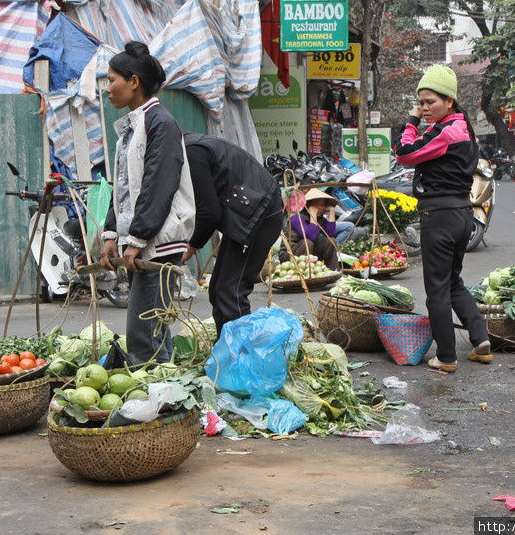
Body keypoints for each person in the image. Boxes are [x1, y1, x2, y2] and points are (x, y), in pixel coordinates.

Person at [100, 42, 195, 365]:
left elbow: (158, 186)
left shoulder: (160, 123)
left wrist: (138, 238)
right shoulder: (135, 125)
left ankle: (154, 404)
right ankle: (165, 401)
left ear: (134, 82)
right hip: (141, 241)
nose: (107, 88)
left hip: (158, 243)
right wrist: (112, 233)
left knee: (144, 337)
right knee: (153, 332)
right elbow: (124, 186)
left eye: (112, 79)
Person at [394, 65, 492, 373]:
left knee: (436, 289)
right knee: (452, 282)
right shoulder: (464, 128)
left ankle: (446, 357)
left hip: (440, 216)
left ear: (449, 100)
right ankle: (480, 341)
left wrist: (410, 121)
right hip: (463, 215)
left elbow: (405, 153)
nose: (423, 108)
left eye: (430, 102)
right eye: (420, 102)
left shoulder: (444, 132)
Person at [181, 133, 283, 332]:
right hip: (247, 214)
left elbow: (209, 213)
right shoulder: (184, 151)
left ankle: (241, 357)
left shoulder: (191, 152)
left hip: (260, 215)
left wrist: (190, 248)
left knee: (230, 292)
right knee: (218, 289)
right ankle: (225, 349)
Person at [282, 188, 340, 270]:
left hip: (309, 253)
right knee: (307, 242)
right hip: (289, 255)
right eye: (317, 205)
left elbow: (330, 233)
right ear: (308, 205)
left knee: (331, 241)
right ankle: (304, 273)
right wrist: (313, 213)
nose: (320, 208)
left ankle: (334, 271)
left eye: (322, 205)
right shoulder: (296, 218)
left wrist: (332, 211)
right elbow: (310, 236)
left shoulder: (320, 219)